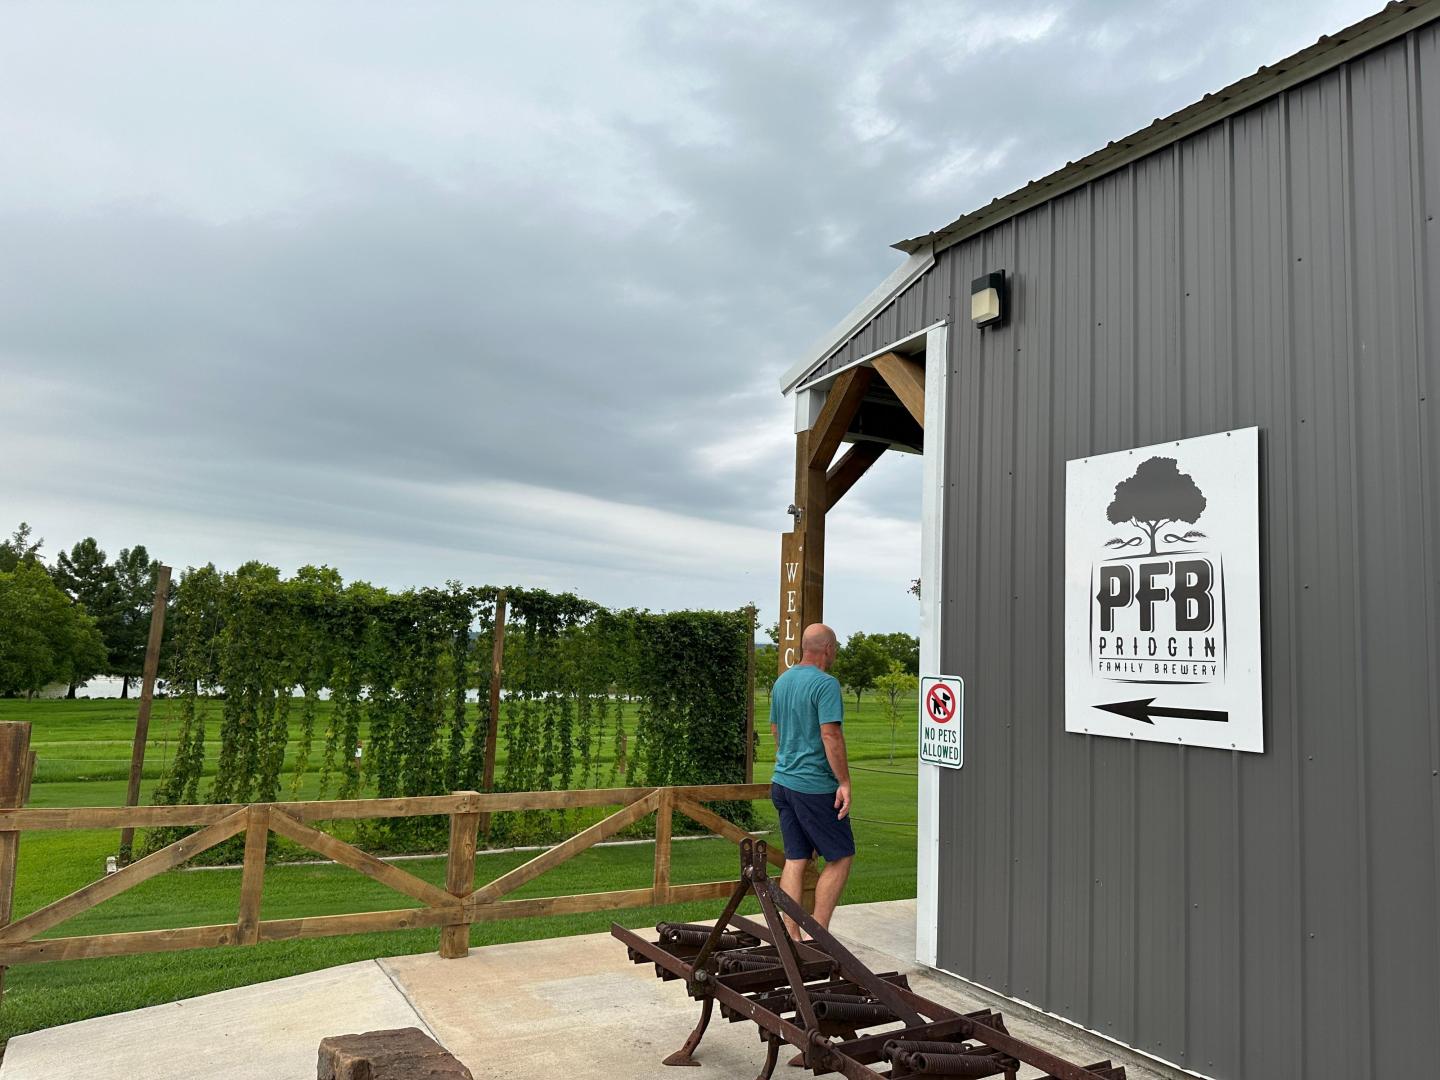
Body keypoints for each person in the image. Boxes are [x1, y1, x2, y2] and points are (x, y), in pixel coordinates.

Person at [769, 622, 853, 937]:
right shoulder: (825, 684)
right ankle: (818, 935)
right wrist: (844, 782)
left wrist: (789, 759)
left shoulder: (782, 682)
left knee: (796, 858)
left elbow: (776, 731)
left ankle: (791, 935)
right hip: (814, 787)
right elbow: (830, 735)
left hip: (782, 783)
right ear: (828, 649)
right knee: (841, 856)